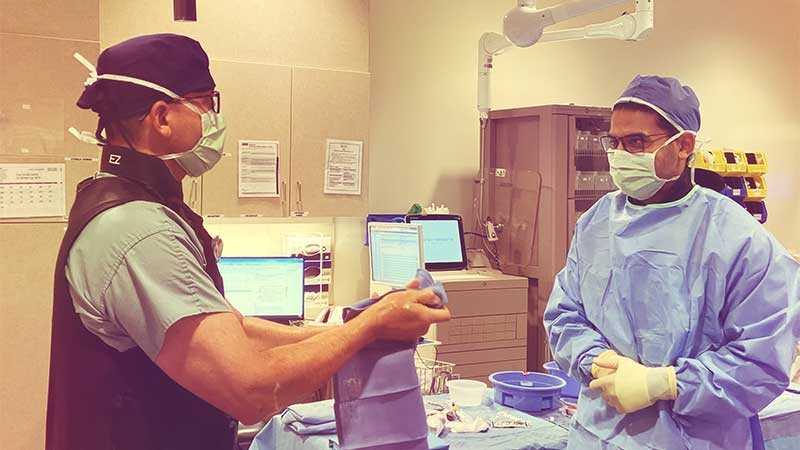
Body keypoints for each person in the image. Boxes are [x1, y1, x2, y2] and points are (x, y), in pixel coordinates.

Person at [47, 33, 451, 450]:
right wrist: (369, 328)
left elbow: (235, 331)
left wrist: (355, 326)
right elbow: (251, 391)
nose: (213, 120)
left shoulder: (125, 202)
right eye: (205, 104)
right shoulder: (139, 231)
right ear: (162, 117)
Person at [544, 75, 800, 450]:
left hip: (691, 439)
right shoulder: (597, 223)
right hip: (595, 434)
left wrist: (664, 384)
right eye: (613, 142)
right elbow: (564, 313)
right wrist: (597, 362)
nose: (620, 154)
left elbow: (761, 361)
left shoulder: (738, 238)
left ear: (683, 145)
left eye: (636, 142)